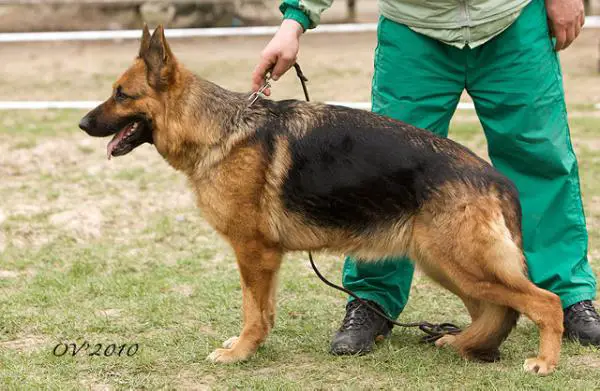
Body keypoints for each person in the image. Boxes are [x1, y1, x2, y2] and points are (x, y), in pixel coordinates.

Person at [252, 0, 600, 355]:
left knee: (541, 160)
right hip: (414, 29)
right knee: (383, 170)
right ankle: (373, 299)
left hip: (512, 19)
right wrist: (293, 22)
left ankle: (568, 295)